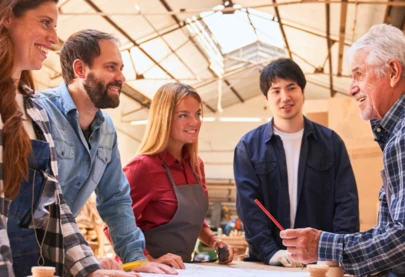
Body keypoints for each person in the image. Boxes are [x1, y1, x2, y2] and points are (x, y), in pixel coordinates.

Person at [0, 1, 141, 277]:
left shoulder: (34, 111)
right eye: (44, 23)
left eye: (55, 26)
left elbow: (55, 208)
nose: (54, 38)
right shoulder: (48, 110)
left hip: (32, 261)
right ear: (7, 18)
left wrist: (90, 270)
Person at [35, 30, 176, 274]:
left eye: (120, 68)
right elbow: (47, 203)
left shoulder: (106, 129)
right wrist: (89, 264)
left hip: (62, 255)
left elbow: (115, 199)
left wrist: (135, 260)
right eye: (111, 67)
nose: (121, 77)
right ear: (80, 69)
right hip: (22, 251)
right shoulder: (40, 113)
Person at [280, 24, 405, 277]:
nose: (351, 88)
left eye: (359, 74)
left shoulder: (402, 135)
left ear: (393, 71)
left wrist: (323, 246)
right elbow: (391, 231)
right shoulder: (391, 134)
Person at [234, 58, 359, 267]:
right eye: (276, 91)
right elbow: (249, 206)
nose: (285, 97)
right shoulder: (248, 147)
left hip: (321, 262)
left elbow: (346, 202)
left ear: (302, 91)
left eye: (291, 87)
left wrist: (338, 253)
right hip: (268, 263)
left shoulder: (331, 143)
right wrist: (270, 252)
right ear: (266, 98)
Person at [107, 83, 234, 267]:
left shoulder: (196, 166)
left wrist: (215, 241)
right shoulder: (143, 167)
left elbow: (192, 221)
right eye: (183, 115)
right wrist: (148, 261)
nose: (195, 122)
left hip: (182, 269)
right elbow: (114, 225)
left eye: (197, 114)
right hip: (144, 270)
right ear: (164, 119)